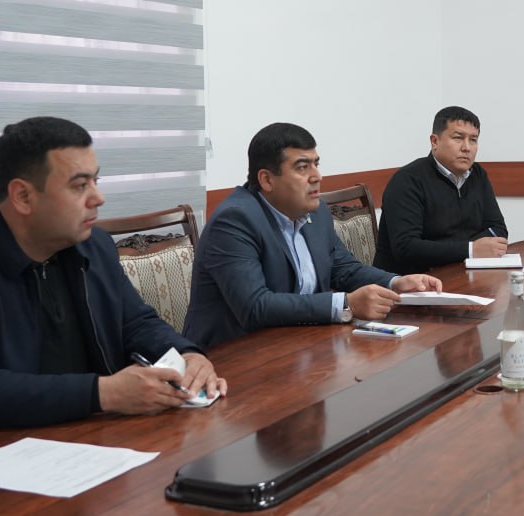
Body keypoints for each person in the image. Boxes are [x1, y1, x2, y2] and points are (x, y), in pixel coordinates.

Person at [0, 117, 226, 454]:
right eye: (80, 186)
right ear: (23, 196)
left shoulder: (93, 245)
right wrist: (104, 393)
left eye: (96, 180)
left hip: (75, 444)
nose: (98, 198)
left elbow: (135, 322)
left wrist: (188, 354)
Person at [183, 123, 441, 349]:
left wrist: (395, 282)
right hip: (231, 357)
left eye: (316, 164)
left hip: (297, 345)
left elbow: (344, 269)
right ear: (267, 180)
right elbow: (255, 307)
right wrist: (346, 304)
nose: (317, 176)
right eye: (302, 167)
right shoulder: (235, 220)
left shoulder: (315, 213)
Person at [374, 106, 509, 274]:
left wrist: (468, 249)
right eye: (458, 138)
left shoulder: (477, 175)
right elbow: (406, 247)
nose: (467, 147)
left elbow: (498, 229)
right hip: (409, 281)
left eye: (473, 140)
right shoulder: (407, 180)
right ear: (434, 141)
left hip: (461, 273)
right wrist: (470, 249)